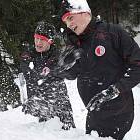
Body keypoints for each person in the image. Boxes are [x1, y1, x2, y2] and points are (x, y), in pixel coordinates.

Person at [56, 0, 140, 139]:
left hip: (118, 112)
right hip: (94, 113)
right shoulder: (75, 42)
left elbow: (138, 65)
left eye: (70, 18)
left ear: (84, 13)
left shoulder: (113, 33)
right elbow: (73, 73)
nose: (69, 25)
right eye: (65, 22)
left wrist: (115, 90)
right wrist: (63, 67)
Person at [20, 21, 75, 130]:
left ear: (50, 41)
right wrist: (32, 99)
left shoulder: (56, 55)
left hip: (60, 106)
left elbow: (56, 76)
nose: (38, 42)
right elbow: (30, 78)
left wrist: (40, 100)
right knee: (46, 132)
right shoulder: (29, 55)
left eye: (42, 40)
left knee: (67, 133)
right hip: (41, 106)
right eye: (36, 38)